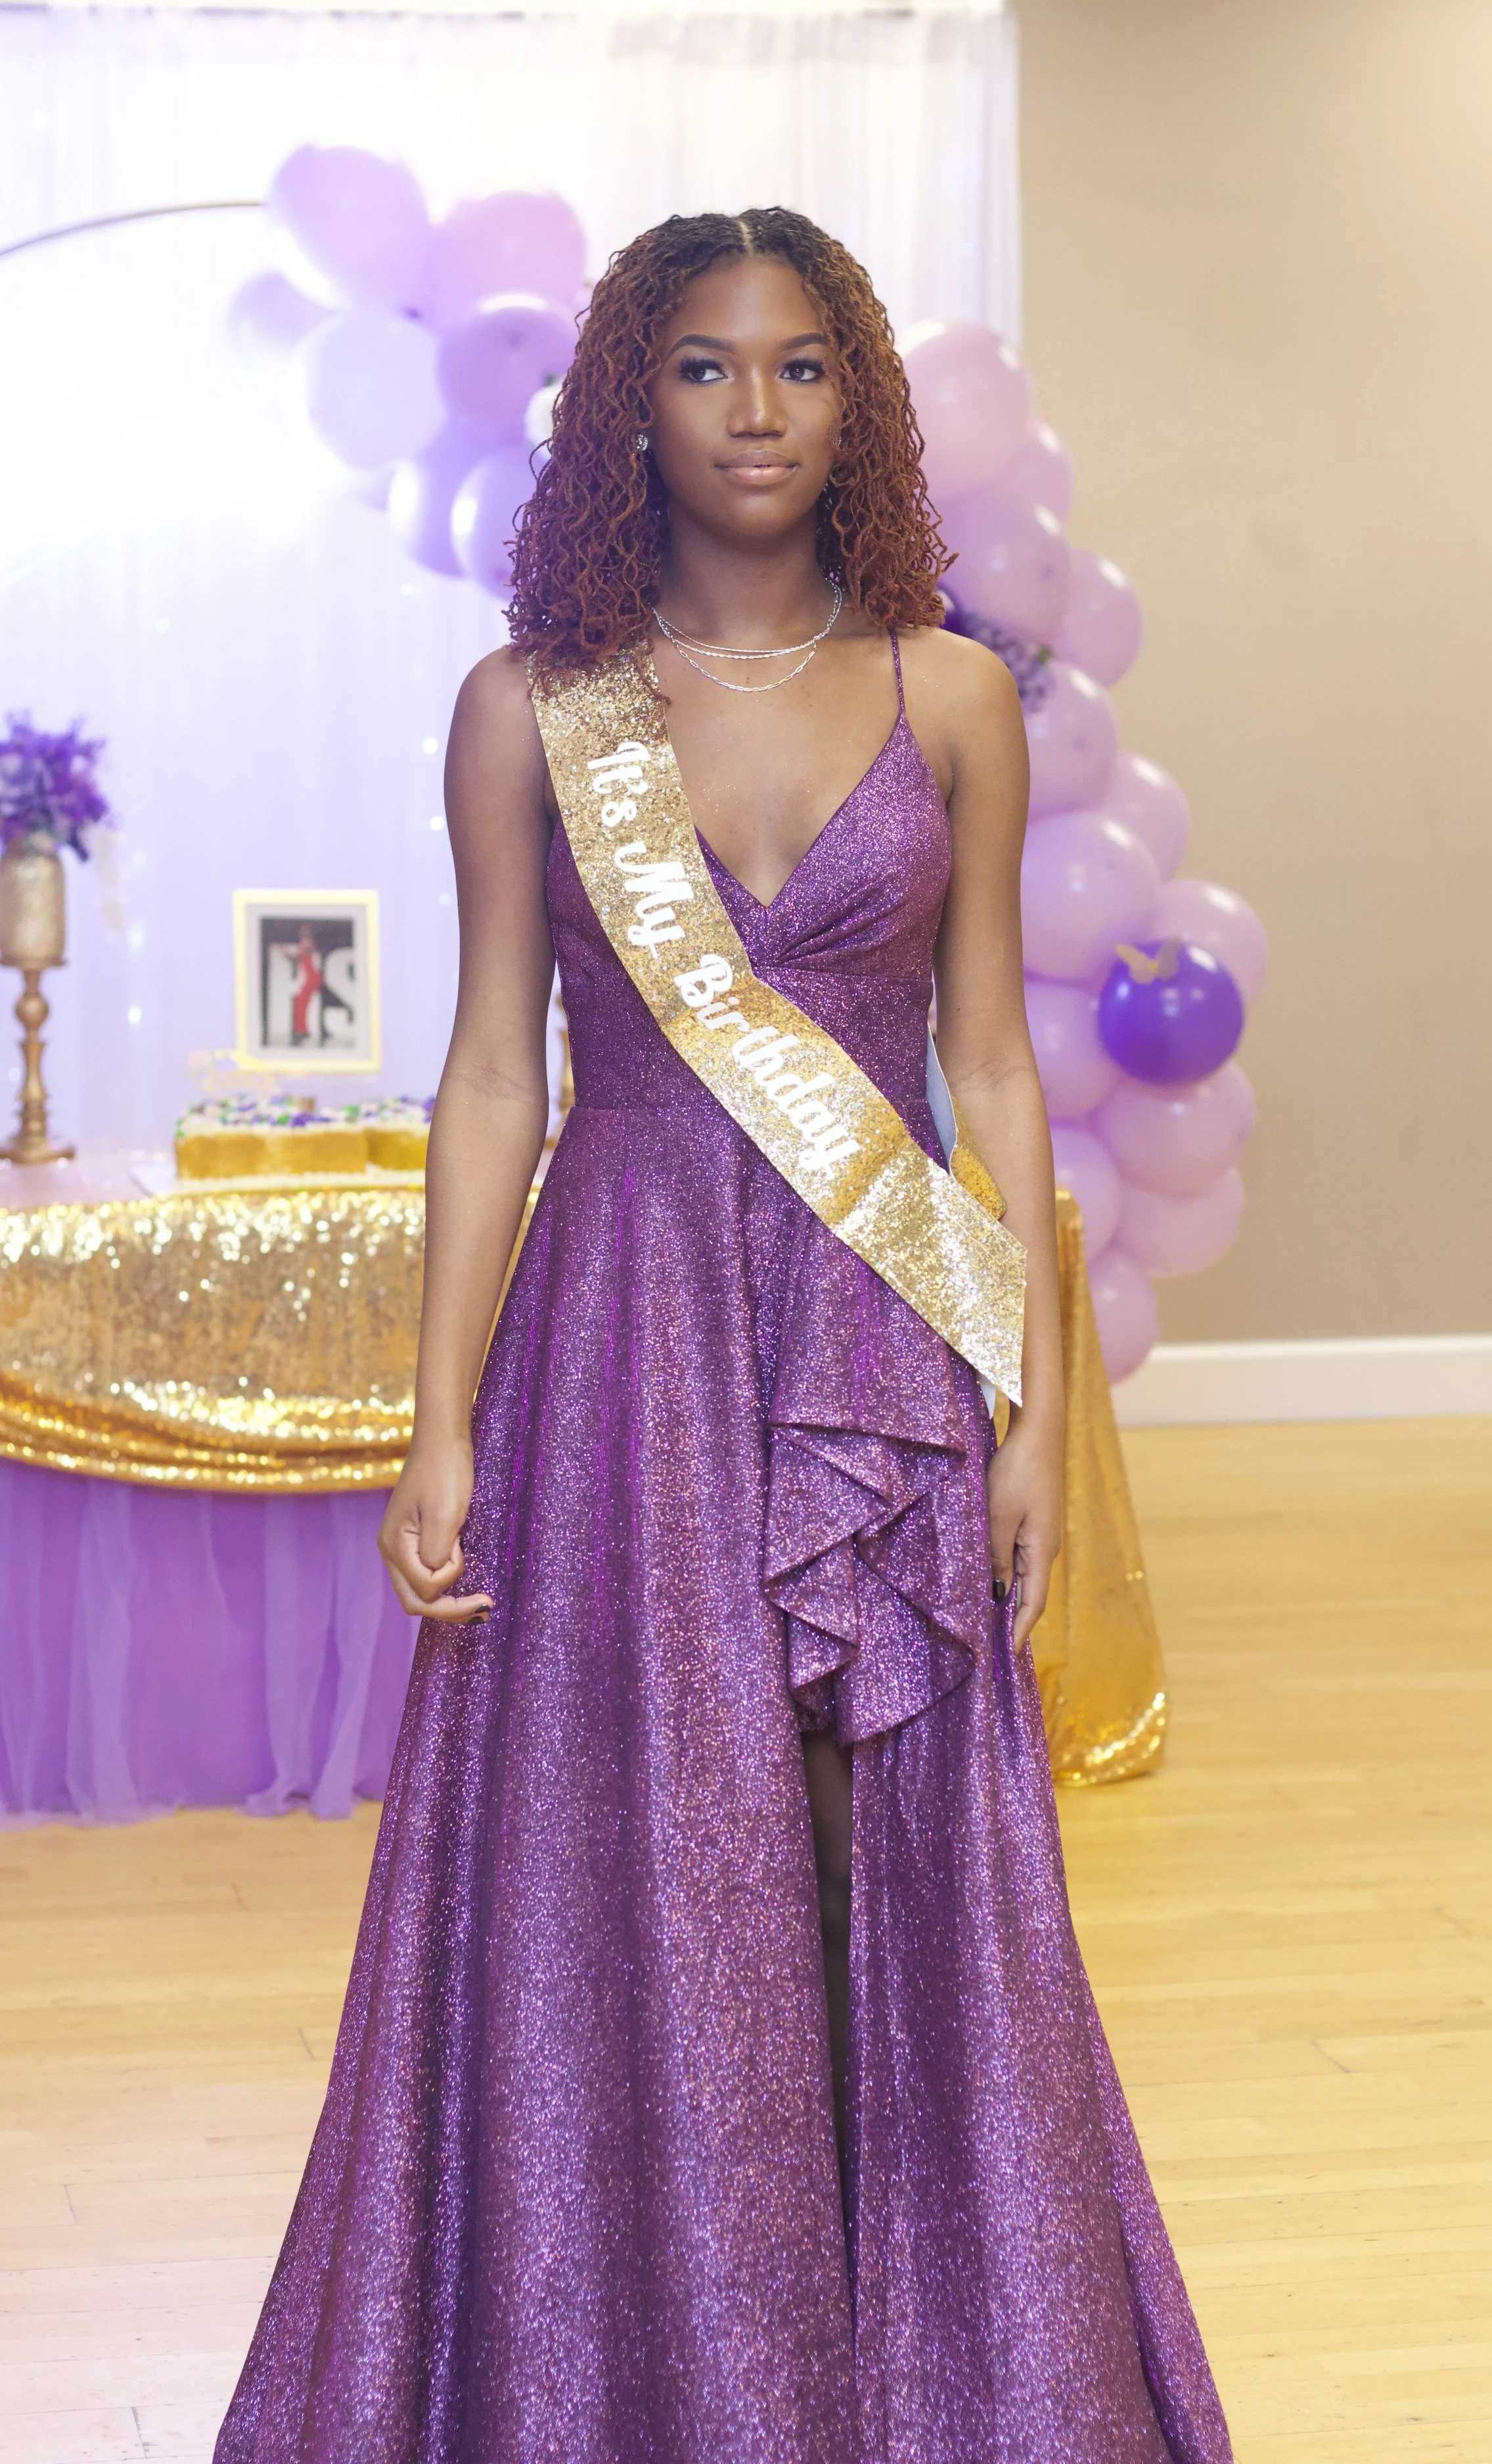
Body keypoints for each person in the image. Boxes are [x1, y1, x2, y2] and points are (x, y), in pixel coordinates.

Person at [215, 207, 1232, 2464]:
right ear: (629, 405)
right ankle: (641, 2372)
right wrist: (436, 1417)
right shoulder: (529, 710)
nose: (755, 411)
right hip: (624, 1336)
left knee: (886, 1849)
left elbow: (990, 1059)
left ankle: (912, 2379)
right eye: (702, 366)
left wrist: (1031, 1408)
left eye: (799, 366)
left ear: (854, 400)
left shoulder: (951, 695)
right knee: (641, 1853)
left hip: (881, 1340)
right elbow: (494, 1075)